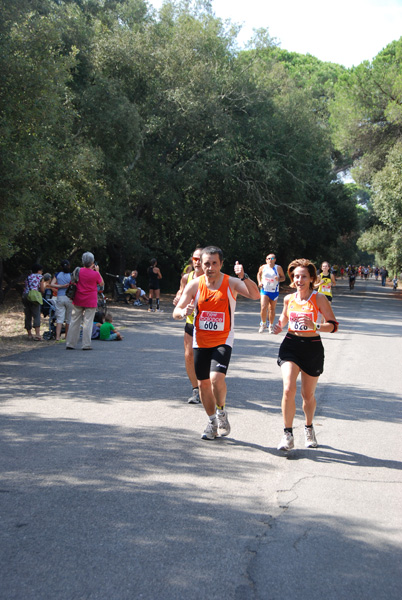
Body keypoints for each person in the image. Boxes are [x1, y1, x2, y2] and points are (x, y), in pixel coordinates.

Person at [173, 246, 260, 440]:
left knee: (215, 379)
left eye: (214, 263)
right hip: (200, 340)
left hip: (223, 339)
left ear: (221, 263)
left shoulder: (231, 282)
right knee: (203, 384)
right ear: (200, 264)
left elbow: (255, 295)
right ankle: (212, 421)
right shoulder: (194, 284)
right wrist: (183, 313)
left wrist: (245, 277)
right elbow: (176, 311)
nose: (210, 267)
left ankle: (221, 412)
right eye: (206, 263)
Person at [273, 258, 339, 451]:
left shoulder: (319, 298)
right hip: (291, 345)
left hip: (312, 347)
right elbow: (285, 317)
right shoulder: (288, 299)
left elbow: (333, 326)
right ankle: (287, 435)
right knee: (287, 389)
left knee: (307, 395)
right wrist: (279, 326)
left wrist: (315, 325)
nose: (299, 279)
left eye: (303, 276)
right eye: (296, 276)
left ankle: (309, 427)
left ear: (311, 278)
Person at [173, 247, 204, 404]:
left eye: (200, 259)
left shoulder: (212, 277)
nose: (197, 262)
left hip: (207, 324)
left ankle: (207, 384)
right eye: (195, 259)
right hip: (191, 321)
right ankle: (196, 389)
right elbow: (180, 293)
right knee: (188, 355)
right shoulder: (187, 277)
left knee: (204, 358)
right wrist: (178, 299)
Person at [66, 252, 104, 350]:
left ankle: (70, 343)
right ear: (92, 262)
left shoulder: (78, 271)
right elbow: (101, 283)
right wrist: (98, 271)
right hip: (90, 300)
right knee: (88, 322)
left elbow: (72, 282)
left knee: (74, 321)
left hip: (78, 298)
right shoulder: (95, 274)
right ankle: (86, 344)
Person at [256, 253, 285, 333]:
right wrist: (259, 282)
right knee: (263, 307)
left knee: (272, 309)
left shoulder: (278, 268)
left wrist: (278, 279)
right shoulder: (263, 267)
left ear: (275, 260)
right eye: (268, 258)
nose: (270, 260)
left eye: (272, 258)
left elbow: (283, 278)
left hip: (274, 291)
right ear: (266, 260)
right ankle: (263, 323)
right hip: (264, 290)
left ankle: (271, 325)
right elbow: (259, 274)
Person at [22, 263, 46, 340]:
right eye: (41, 271)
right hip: (35, 296)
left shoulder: (28, 277)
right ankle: (38, 334)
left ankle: (29, 334)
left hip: (26, 295)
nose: (42, 272)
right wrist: (42, 293)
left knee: (28, 314)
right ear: (39, 271)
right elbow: (42, 289)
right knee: (36, 314)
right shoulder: (40, 277)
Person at [51, 260, 73, 341]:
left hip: (60, 296)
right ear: (69, 266)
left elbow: (52, 284)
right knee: (68, 318)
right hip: (69, 297)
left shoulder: (58, 275)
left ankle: (57, 336)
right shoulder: (71, 275)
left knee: (59, 318)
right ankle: (67, 336)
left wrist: (61, 286)